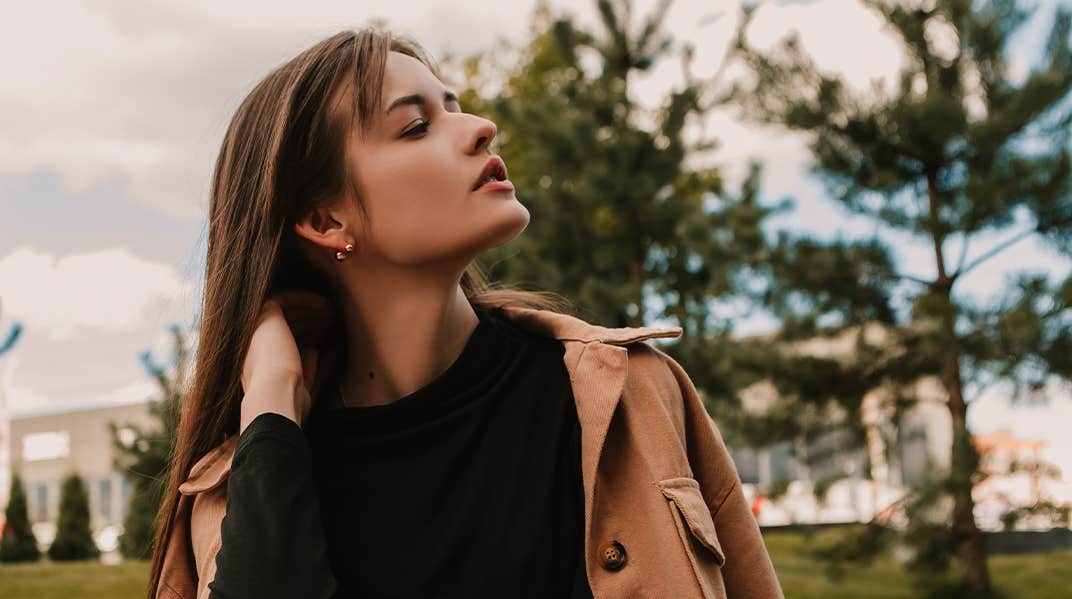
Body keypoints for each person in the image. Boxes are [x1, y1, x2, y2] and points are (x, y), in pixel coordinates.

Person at [148, 27, 783, 599]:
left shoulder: (633, 397)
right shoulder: (239, 491)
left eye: (453, 104)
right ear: (325, 220)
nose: (480, 126)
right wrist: (270, 394)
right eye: (415, 126)